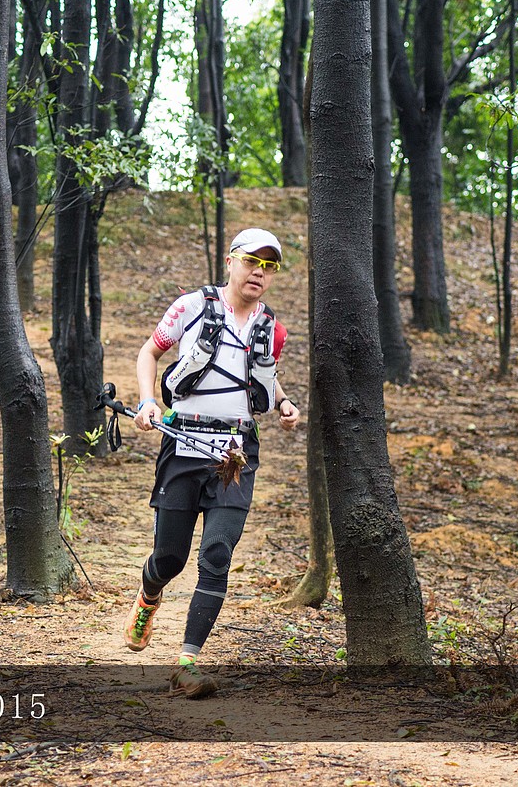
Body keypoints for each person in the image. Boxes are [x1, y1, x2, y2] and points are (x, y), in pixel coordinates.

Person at [124, 227, 301, 698]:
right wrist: (146, 401)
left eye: (269, 266)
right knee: (170, 558)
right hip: (183, 442)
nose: (258, 273)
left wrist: (284, 403)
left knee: (217, 554)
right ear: (231, 262)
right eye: (251, 261)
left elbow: (263, 377)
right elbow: (149, 351)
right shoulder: (191, 307)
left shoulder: (273, 330)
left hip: (236, 453)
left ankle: (187, 662)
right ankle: (149, 592)